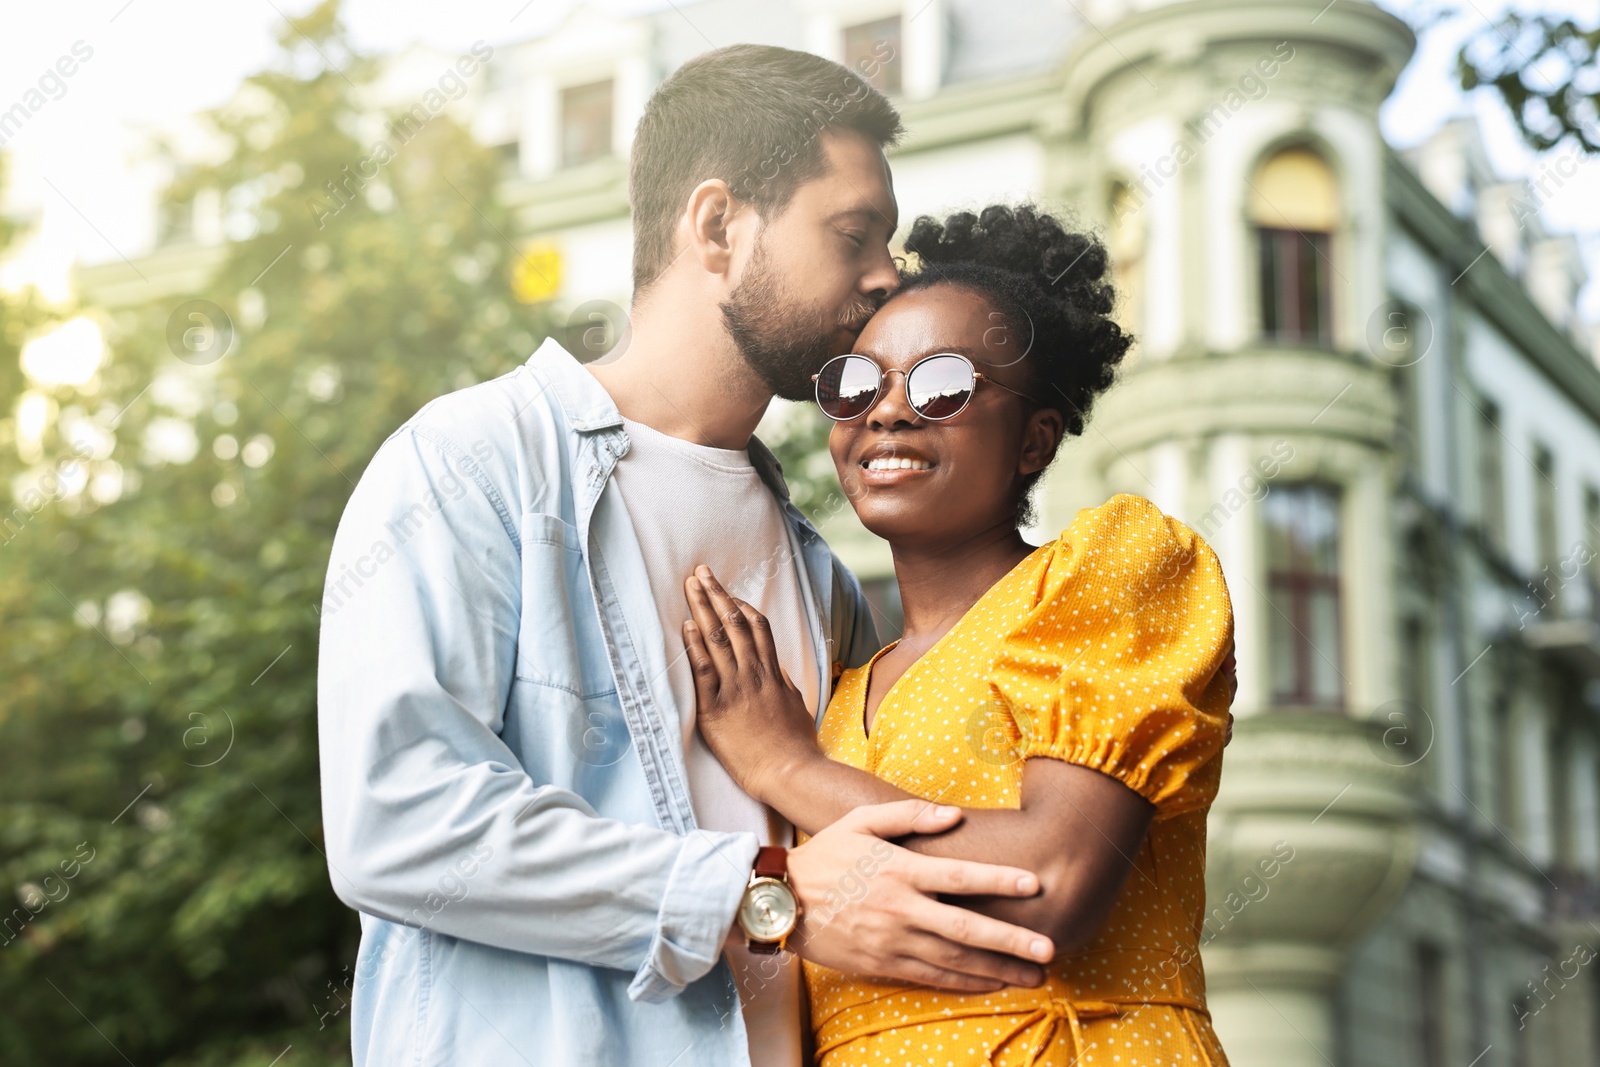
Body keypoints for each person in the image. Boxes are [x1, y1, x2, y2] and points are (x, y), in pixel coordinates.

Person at [316, 47, 1056, 1067]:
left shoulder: (825, 577)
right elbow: (399, 818)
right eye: (853, 233)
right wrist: (762, 900)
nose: (887, 273)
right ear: (716, 225)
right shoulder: (472, 464)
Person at [682, 204, 1238, 1065]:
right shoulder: (833, 688)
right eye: (857, 385)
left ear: (1034, 439)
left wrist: (788, 768)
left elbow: (1045, 886)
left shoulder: (1112, 571)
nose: (888, 412)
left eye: (942, 385)